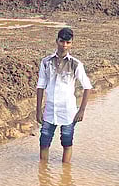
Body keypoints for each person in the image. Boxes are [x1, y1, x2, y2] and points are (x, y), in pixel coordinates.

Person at [36, 28, 92, 163]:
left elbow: (87, 87)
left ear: (71, 44)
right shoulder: (46, 62)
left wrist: (82, 110)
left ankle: (65, 174)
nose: (64, 45)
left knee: (67, 142)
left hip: (68, 111)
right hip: (50, 109)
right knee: (44, 142)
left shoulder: (76, 64)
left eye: (68, 42)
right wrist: (38, 110)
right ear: (57, 41)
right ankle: (43, 172)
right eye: (62, 41)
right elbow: (40, 86)